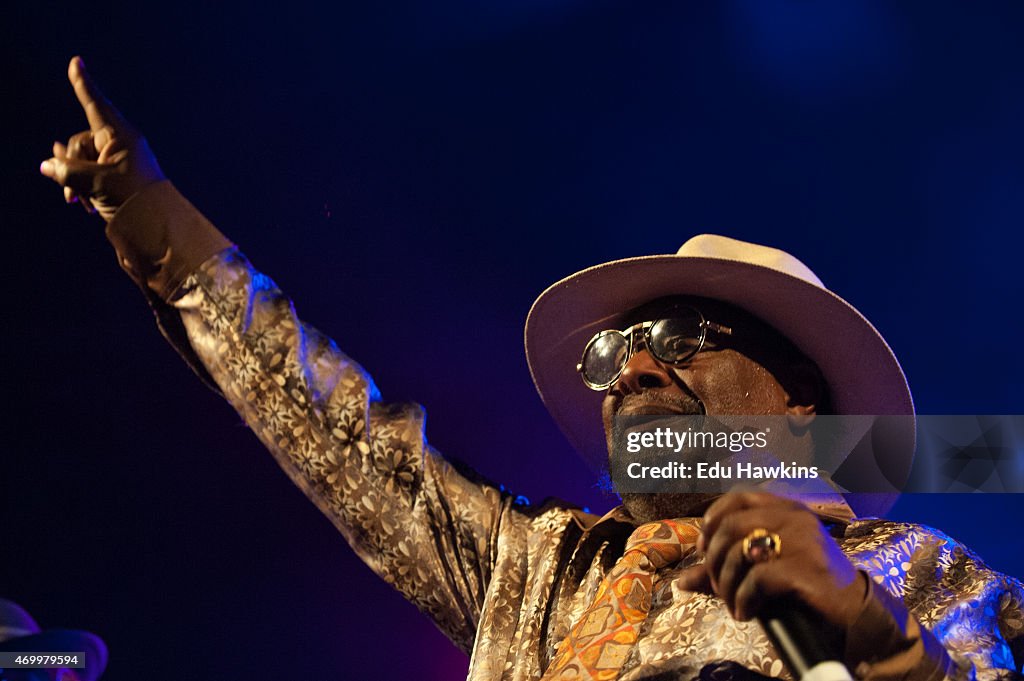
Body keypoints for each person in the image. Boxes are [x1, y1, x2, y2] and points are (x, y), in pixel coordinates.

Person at [40, 56, 1023, 681]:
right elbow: (327, 424)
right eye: (613, 353)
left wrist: (868, 635)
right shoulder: (541, 566)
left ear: (797, 401)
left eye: (683, 338)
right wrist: (147, 217)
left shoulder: (915, 568)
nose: (632, 364)